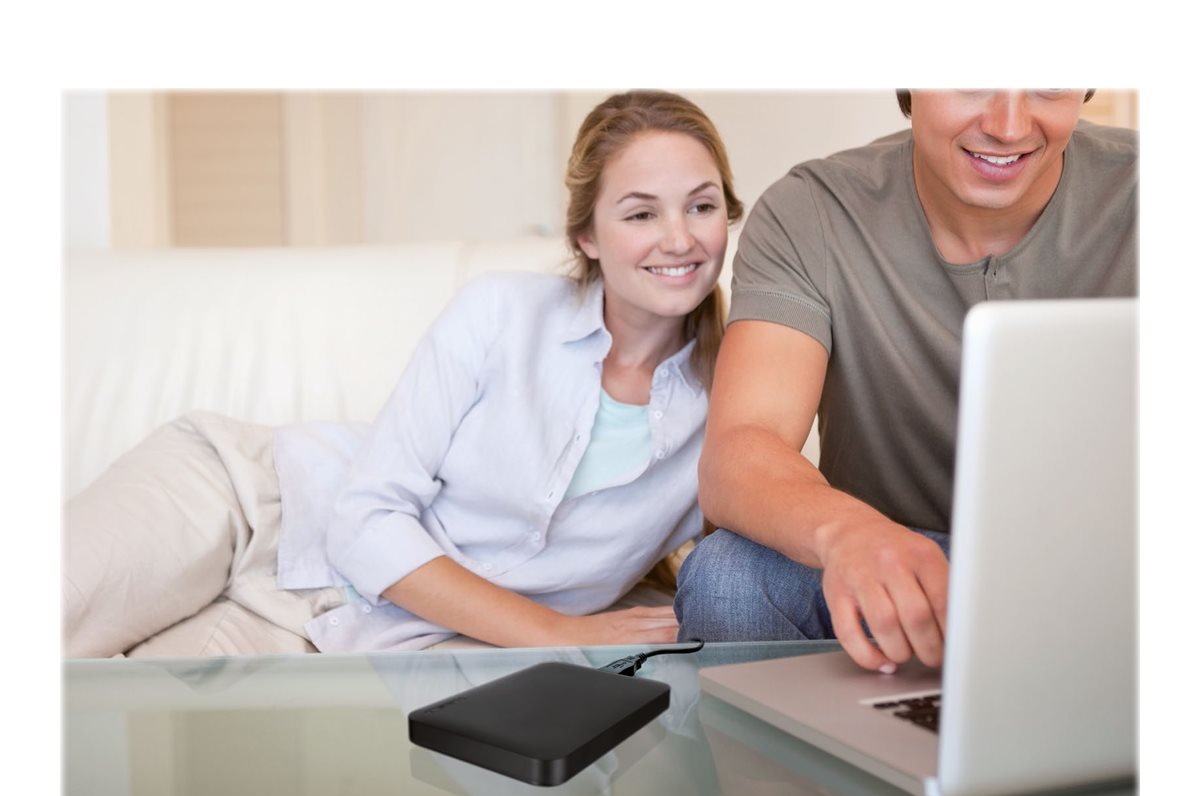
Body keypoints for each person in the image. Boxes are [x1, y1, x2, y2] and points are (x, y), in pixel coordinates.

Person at [64, 89, 744, 657]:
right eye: (641, 213)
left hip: (346, 627)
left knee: (109, 739)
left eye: (701, 205)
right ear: (586, 236)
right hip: (251, 502)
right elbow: (364, 519)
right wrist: (555, 632)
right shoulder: (501, 311)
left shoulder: (735, 405)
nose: (679, 238)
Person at [673, 89, 1137, 673]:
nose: (1009, 126)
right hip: (897, 569)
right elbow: (741, 450)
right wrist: (850, 533)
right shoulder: (814, 210)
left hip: (1116, 574)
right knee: (729, 577)